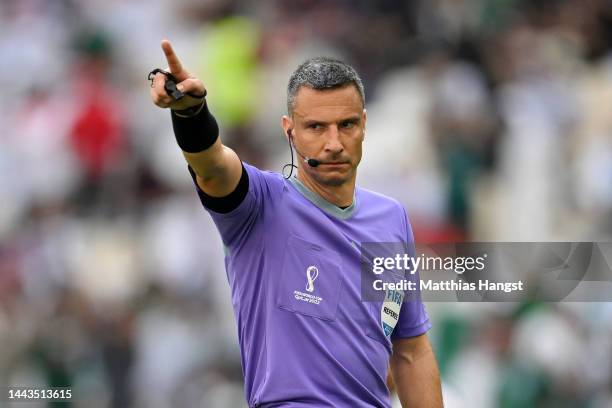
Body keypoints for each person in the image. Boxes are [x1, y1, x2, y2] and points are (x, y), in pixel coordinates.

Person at [150, 39, 443, 408]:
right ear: (290, 131)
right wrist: (192, 114)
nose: (334, 143)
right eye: (316, 127)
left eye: (347, 124)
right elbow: (212, 166)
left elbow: (412, 351)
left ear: (364, 125)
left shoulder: (391, 219)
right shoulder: (260, 205)